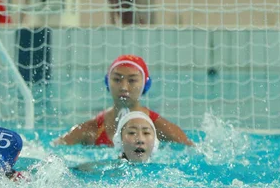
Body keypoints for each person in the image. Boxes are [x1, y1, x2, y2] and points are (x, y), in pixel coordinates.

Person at [53, 54, 193, 146]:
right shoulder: (90, 130)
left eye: (132, 80)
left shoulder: (159, 127)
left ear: (145, 84)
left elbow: (192, 151)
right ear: (108, 82)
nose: (124, 87)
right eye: (117, 79)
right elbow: (54, 150)